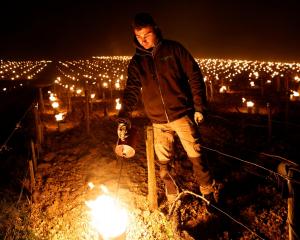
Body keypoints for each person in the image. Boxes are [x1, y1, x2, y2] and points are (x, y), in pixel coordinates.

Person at [117, 12, 218, 204]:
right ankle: (173, 197)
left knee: (197, 158)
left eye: (146, 35)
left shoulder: (174, 49)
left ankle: (209, 194)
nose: (143, 40)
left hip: (182, 115)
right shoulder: (137, 62)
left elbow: (194, 74)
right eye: (138, 37)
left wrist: (199, 107)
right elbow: (131, 89)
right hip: (158, 122)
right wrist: (124, 116)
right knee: (163, 165)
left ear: (155, 29)